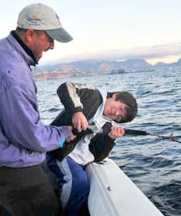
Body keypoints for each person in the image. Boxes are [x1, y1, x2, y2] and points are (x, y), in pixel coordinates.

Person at [0, 3, 76, 216]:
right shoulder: (13, 74)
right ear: (30, 34)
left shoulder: (0, 49)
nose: (53, 46)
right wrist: (64, 133)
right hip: (5, 165)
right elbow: (31, 136)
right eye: (50, 38)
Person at [46, 82, 138, 216]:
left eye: (119, 117)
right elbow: (65, 87)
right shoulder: (92, 95)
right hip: (60, 150)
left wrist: (111, 138)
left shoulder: (107, 126)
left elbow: (97, 156)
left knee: (87, 186)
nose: (116, 113)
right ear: (116, 96)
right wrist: (76, 111)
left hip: (82, 160)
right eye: (120, 108)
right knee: (79, 183)